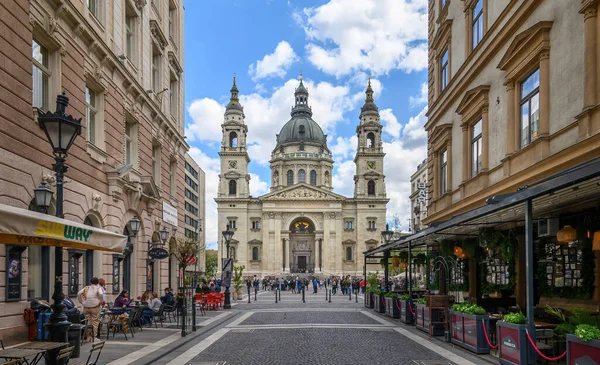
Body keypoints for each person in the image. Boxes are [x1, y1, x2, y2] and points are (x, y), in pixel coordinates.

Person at [77, 277, 104, 342]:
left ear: (91, 282)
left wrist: (81, 302)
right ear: (97, 282)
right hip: (95, 306)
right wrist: (100, 301)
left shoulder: (87, 287)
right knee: (95, 321)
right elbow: (101, 294)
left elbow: (79, 293)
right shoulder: (98, 288)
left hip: (86, 306)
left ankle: (88, 337)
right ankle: (94, 337)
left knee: (87, 321)